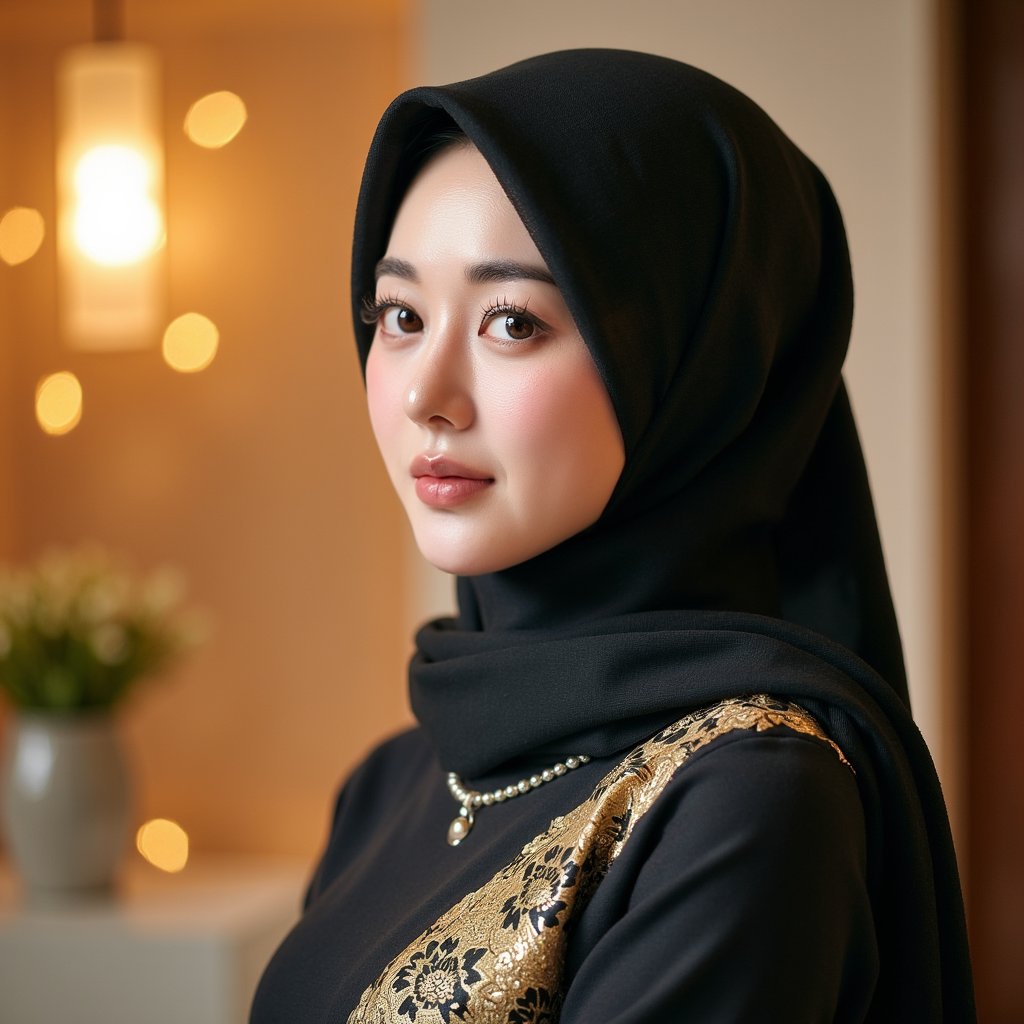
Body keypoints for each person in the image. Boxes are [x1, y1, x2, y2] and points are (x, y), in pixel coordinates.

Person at [251, 49, 974, 1022]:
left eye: (512, 321)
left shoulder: (746, 799)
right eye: (400, 314)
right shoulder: (394, 781)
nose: (426, 394)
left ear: (696, 367)